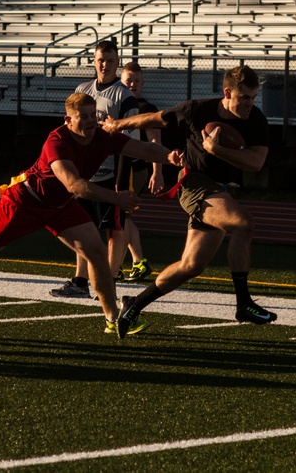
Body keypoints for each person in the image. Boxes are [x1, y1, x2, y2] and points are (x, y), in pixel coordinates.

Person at [0, 92, 183, 335]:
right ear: (68, 120)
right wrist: (116, 197)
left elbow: (141, 149)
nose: (92, 121)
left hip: (60, 206)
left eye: (94, 115)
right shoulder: (57, 141)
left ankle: (112, 318)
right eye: (85, 117)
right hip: (25, 202)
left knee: (95, 251)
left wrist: (170, 157)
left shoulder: (102, 136)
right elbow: (75, 185)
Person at [103, 65, 278, 338]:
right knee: (243, 224)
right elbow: (153, 118)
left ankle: (134, 305)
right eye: (244, 97)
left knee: (191, 266)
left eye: (253, 97)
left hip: (219, 192)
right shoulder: (198, 110)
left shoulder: (256, 119)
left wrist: (216, 149)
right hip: (195, 185)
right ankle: (243, 303)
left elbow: (256, 163)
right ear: (227, 92)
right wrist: (116, 125)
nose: (249, 104)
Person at [50, 40, 139, 297]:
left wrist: (122, 182)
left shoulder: (124, 95)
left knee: (114, 229)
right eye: (101, 59)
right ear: (93, 61)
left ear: (117, 62)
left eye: (110, 60)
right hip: (85, 172)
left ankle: (107, 281)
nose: (105, 64)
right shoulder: (82, 89)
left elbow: (128, 141)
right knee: (82, 226)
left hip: (113, 172)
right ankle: (80, 281)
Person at [115, 60, 165, 281]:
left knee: (121, 216)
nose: (132, 85)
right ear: (121, 81)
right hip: (115, 165)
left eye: (136, 81)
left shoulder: (146, 109)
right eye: (128, 81)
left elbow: (155, 141)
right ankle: (136, 261)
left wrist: (157, 171)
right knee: (118, 217)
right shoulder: (116, 103)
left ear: (143, 83)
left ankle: (118, 265)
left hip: (134, 167)